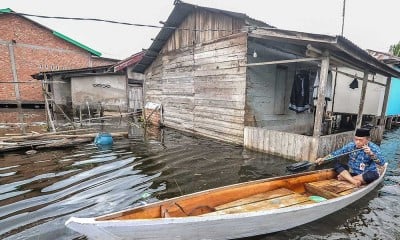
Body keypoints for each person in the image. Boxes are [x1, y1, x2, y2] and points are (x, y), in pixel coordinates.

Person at [315, 128, 385, 187]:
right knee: (336, 164)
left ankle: (345, 178)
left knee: (374, 175)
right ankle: (353, 181)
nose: (357, 142)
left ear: (368, 139)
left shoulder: (374, 148)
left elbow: (381, 163)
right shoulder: (351, 145)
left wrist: (371, 154)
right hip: (351, 171)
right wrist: (324, 159)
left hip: (364, 174)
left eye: (360, 140)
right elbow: (337, 153)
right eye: (356, 139)